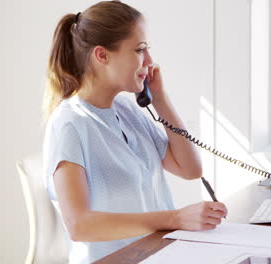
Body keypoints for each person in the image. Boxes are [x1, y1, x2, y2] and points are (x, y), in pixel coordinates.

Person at [43, 1, 227, 263]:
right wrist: (174, 218)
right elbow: (79, 225)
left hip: (155, 254)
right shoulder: (70, 124)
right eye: (140, 50)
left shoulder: (126, 110)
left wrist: (161, 99)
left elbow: (190, 169)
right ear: (102, 55)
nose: (150, 61)